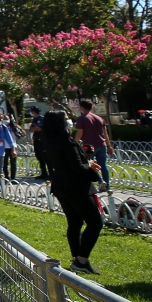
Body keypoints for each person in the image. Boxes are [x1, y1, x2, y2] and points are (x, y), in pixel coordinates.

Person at [39, 110, 103, 274]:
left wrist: (85, 162)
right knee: (95, 222)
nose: (69, 122)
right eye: (66, 119)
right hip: (76, 187)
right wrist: (90, 168)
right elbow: (76, 167)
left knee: (75, 222)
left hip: (61, 185)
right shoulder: (66, 142)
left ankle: (77, 258)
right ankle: (82, 260)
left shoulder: (49, 141)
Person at [75, 100, 112, 191]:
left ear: (82, 107)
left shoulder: (82, 119)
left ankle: (100, 181)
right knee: (103, 165)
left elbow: (80, 132)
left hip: (89, 145)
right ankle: (107, 185)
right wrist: (108, 145)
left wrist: (74, 143)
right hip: (101, 144)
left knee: (89, 164)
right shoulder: (99, 118)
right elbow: (105, 133)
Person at [28, 105, 49, 180]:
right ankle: (43, 173)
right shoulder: (34, 119)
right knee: (39, 157)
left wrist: (34, 128)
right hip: (36, 139)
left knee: (46, 157)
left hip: (42, 140)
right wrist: (34, 128)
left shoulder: (41, 119)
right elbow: (31, 129)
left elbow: (38, 128)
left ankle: (50, 173)